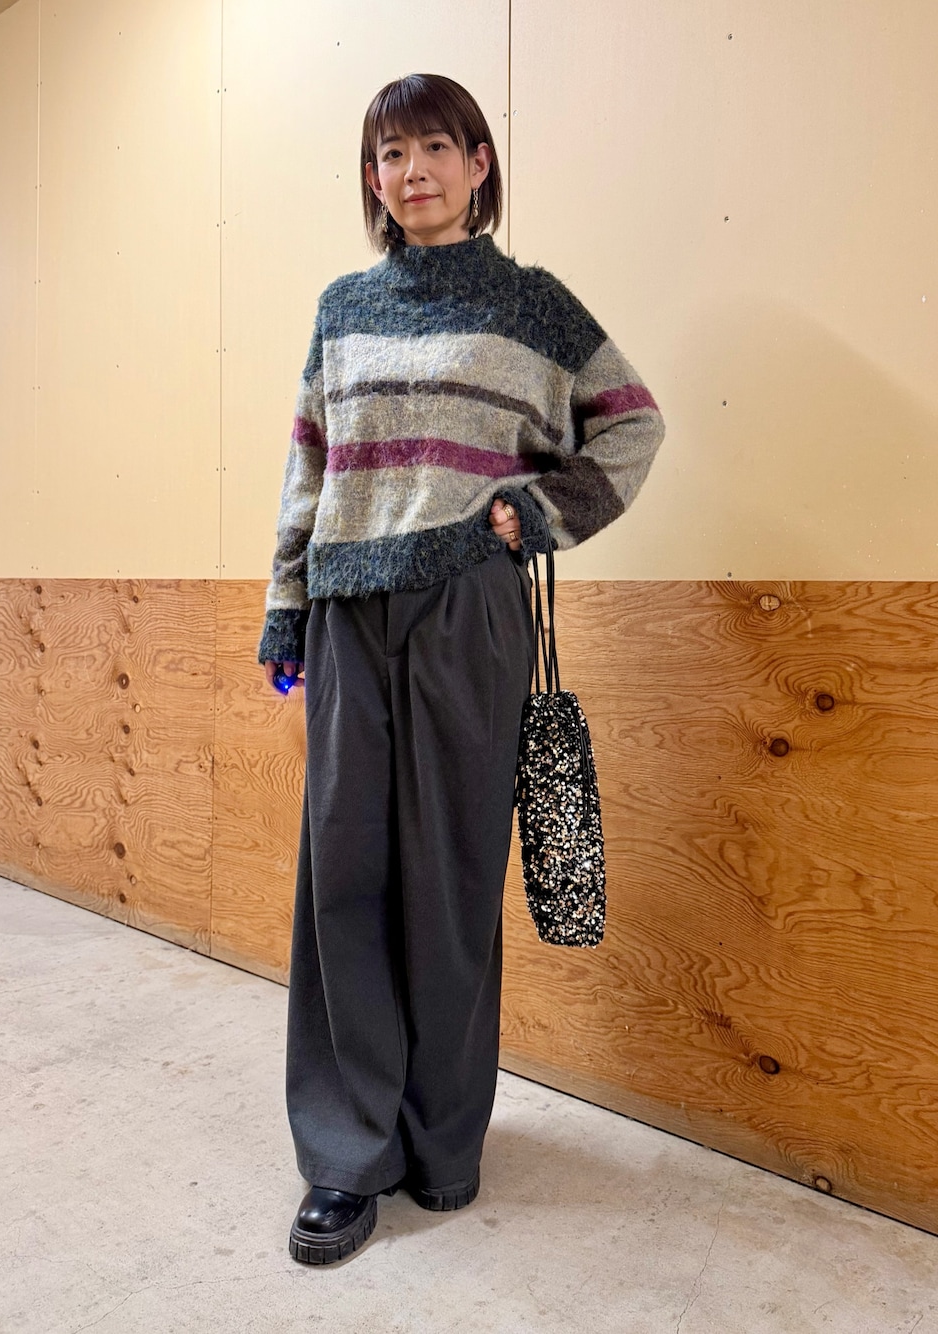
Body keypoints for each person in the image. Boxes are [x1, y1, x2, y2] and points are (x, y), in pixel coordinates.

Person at [258, 72, 665, 1266]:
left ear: (478, 163)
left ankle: (443, 1137)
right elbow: (309, 464)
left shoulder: (531, 304)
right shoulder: (343, 308)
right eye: (390, 154)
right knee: (344, 875)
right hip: (348, 612)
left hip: (467, 611)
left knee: (450, 873)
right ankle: (347, 1156)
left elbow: (632, 422)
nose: (413, 171)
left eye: (435, 146)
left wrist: (535, 512)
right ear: (371, 177)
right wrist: (285, 607)